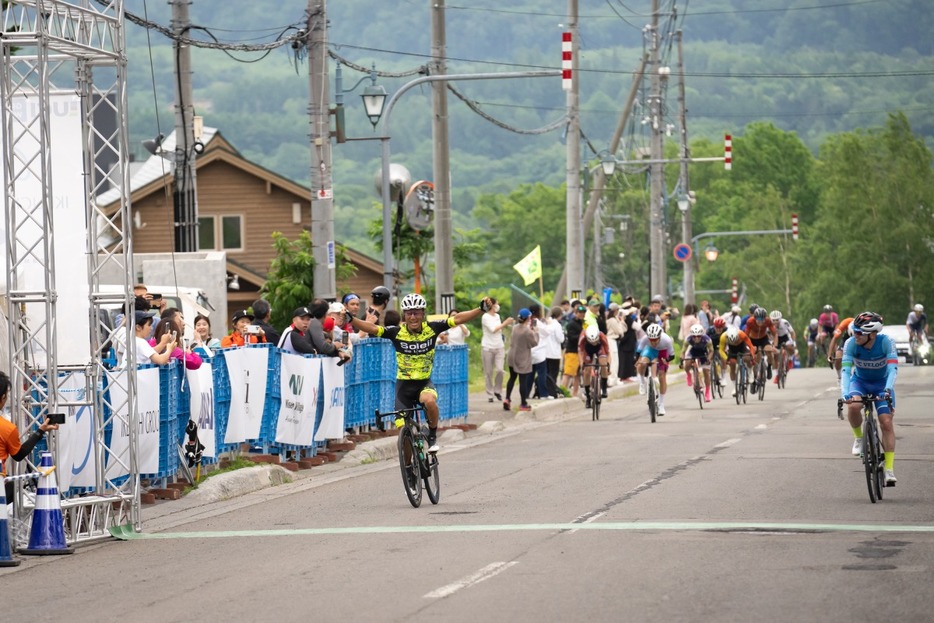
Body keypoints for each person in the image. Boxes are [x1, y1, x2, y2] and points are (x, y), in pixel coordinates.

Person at [348, 293, 491, 451]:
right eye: (409, 313)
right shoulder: (397, 332)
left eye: (417, 312)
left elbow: (457, 319)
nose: (413, 317)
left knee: (429, 401)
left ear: (423, 314)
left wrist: (480, 309)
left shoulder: (432, 328)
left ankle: (432, 434)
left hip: (424, 383)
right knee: (404, 433)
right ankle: (409, 468)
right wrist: (352, 319)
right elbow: (373, 328)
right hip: (403, 388)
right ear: (404, 315)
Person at [840, 311, 898, 485]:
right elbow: (845, 371)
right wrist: (845, 392)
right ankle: (859, 437)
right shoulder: (851, 343)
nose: (855, 335)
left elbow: (892, 370)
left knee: (886, 423)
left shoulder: (886, 342)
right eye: (854, 331)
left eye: (859, 332)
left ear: (872, 334)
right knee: (854, 405)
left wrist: (887, 389)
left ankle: (889, 469)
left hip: (882, 384)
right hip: (860, 382)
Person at [1, 371, 60, 501]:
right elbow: (19, 455)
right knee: (12, 487)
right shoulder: (7, 428)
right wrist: (40, 431)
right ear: (3, 397)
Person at [635, 323, 675, 415]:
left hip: (663, 352)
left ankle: (661, 404)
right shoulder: (645, 339)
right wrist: (637, 360)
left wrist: (666, 360)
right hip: (650, 350)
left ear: (660, 337)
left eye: (655, 340)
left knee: (662, 376)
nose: (653, 342)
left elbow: (672, 356)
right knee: (642, 363)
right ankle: (642, 382)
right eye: (651, 340)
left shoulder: (666, 340)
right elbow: (638, 352)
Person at [506, 308, 539, 412]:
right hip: (522, 358)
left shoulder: (515, 328)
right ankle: (523, 403)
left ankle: (507, 398)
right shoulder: (527, 331)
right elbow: (534, 343)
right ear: (528, 318)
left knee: (512, 378)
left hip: (512, 356)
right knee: (522, 381)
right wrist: (536, 332)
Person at [480, 298, 512, 405]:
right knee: (488, 372)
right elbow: (493, 329)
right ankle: (490, 394)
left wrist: (504, 326)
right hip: (488, 347)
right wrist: (505, 323)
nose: (498, 305)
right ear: (492, 305)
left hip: (499, 346)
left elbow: (499, 329)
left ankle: (497, 390)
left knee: (499, 370)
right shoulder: (485, 317)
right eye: (496, 303)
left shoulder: (497, 316)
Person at [719, 326, 757, 398]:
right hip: (732, 350)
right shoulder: (723, 337)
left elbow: (751, 346)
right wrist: (727, 358)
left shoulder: (742, 334)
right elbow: (721, 350)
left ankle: (750, 372)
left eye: (736, 340)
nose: (734, 342)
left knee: (747, 358)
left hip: (742, 347)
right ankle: (734, 387)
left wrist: (752, 356)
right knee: (732, 364)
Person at [680, 323, 713, 402]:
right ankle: (688, 374)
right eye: (694, 336)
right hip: (693, 351)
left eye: (698, 336)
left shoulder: (707, 339)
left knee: (706, 371)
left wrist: (708, 359)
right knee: (687, 363)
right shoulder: (688, 339)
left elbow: (711, 351)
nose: (696, 338)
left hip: (703, 352)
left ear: (702, 335)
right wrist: (681, 361)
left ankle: (708, 391)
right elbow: (683, 352)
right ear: (692, 336)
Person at [579, 324, 609, 409]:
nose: (593, 343)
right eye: (591, 342)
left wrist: (607, 366)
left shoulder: (602, 336)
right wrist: (582, 364)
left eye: (595, 341)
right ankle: (588, 397)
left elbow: (608, 353)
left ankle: (604, 388)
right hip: (587, 350)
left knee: (603, 364)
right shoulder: (583, 336)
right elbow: (580, 352)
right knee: (587, 371)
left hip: (600, 348)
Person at [743, 306, 777, 380]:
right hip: (752, 339)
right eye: (758, 319)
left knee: (769, 351)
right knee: (754, 357)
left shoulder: (768, 321)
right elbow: (746, 336)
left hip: (763, 339)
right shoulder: (750, 322)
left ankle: (769, 367)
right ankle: (754, 376)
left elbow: (775, 334)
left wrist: (775, 345)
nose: (761, 321)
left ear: (765, 318)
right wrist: (750, 346)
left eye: (762, 319)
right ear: (755, 318)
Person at [560, 303, 587, 397]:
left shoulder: (583, 323)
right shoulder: (572, 324)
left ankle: (575, 393)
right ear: (575, 313)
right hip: (572, 352)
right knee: (568, 373)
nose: (582, 314)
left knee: (578, 374)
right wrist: (583, 336)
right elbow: (571, 337)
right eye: (580, 312)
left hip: (581, 352)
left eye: (583, 313)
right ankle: (563, 392)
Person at [769, 310, 798, 383]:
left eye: (777, 320)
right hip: (775, 339)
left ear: (780, 319)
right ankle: (777, 374)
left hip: (785, 337)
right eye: (773, 320)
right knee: (775, 355)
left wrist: (793, 342)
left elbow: (792, 332)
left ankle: (790, 359)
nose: (775, 322)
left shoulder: (784, 322)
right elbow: (767, 334)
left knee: (790, 347)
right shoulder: (769, 324)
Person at [826, 315, 854, 382]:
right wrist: (829, 355)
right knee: (838, 356)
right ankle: (839, 377)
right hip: (847, 337)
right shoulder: (845, 323)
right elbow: (834, 339)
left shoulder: (862, 326)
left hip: (860, 339)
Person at [617, 301, 639, 381]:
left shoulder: (622, 319)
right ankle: (625, 376)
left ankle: (624, 376)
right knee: (627, 360)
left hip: (624, 342)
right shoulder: (629, 319)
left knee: (624, 359)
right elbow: (638, 327)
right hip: (628, 342)